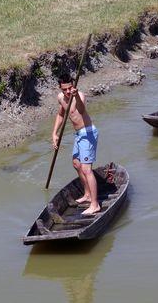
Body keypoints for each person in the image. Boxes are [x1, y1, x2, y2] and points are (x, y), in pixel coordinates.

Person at [52, 75, 100, 215]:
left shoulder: (80, 95)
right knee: (76, 164)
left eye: (70, 88)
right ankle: (87, 194)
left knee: (86, 169)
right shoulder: (61, 97)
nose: (68, 91)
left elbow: (81, 110)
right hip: (79, 134)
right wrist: (54, 133)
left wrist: (75, 97)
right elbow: (61, 114)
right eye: (65, 89)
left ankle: (95, 204)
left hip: (88, 133)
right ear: (60, 88)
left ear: (73, 85)